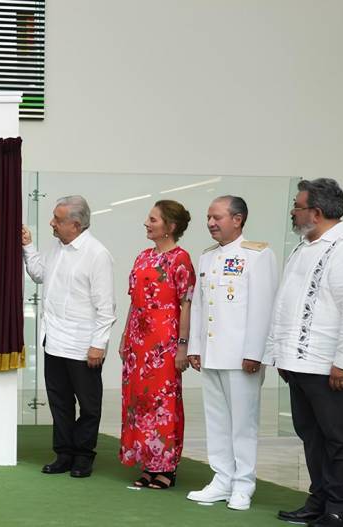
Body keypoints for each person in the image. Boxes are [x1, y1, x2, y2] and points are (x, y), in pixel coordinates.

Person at [269, 179, 343, 527]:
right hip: (298, 362)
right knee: (311, 436)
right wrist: (279, 353)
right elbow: (285, 305)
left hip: (331, 367)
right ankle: (318, 500)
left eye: (297, 206)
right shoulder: (303, 247)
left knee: (338, 441)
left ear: (315, 213)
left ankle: (339, 510)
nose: (292, 210)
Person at [185, 196, 278, 510]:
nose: (211, 223)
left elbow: (263, 308)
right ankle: (221, 478)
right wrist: (196, 347)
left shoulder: (258, 255)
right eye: (208, 217)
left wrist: (255, 352)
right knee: (217, 420)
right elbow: (199, 305)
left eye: (217, 217)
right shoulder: (207, 257)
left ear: (237, 219)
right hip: (212, 354)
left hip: (241, 357)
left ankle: (243, 484)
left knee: (243, 423)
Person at [22, 195, 116, 478]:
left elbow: (106, 306)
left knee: (88, 405)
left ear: (75, 225)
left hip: (83, 344)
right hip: (53, 340)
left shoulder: (97, 254)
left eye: (57, 219)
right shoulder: (56, 248)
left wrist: (98, 345)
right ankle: (63, 453)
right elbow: (39, 274)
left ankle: (84, 456)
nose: (52, 223)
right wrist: (27, 245)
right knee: (59, 401)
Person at [119, 200, 195, 490]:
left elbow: (186, 305)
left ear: (170, 227)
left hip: (164, 338)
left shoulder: (181, 259)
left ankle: (166, 466)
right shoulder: (142, 257)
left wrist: (182, 346)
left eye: (153, 219)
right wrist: (126, 335)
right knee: (138, 400)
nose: (147, 223)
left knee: (163, 401)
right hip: (139, 338)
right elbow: (133, 300)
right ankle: (148, 462)